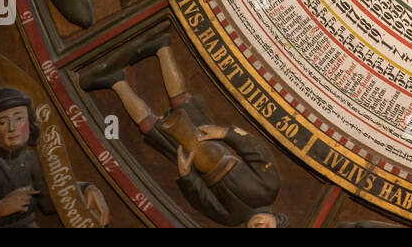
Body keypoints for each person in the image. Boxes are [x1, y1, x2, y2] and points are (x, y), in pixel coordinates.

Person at [82, 25, 287, 227]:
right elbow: (256, 151)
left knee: (150, 126)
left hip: (192, 161)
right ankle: (161, 48)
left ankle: (115, 82)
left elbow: (203, 199)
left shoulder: (231, 218)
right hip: (213, 142)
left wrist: (187, 176)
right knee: (181, 100)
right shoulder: (269, 188)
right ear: (277, 221)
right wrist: (226, 133)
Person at [0, 87, 109, 227]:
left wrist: (86, 189)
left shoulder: (31, 158)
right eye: (2, 122)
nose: (13, 128)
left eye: (19, 118)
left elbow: (49, 201)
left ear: (30, 122)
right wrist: (0, 208)